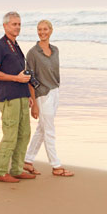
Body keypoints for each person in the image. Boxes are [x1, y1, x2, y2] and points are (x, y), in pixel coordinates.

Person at [0, 11, 37, 183]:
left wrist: (29, 95)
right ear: (5, 26)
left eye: (19, 24)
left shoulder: (16, 46)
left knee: (24, 134)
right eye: (14, 24)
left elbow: (23, 73)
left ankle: (16, 169)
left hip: (22, 96)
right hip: (9, 98)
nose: (17, 27)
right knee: (10, 135)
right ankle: (1, 172)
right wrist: (15, 78)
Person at [24, 19, 74, 177]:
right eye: (39, 29)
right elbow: (29, 78)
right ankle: (56, 165)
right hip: (42, 94)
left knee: (42, 128)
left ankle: (27, 160)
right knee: (50, 130)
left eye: (45, 29)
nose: (42, 32)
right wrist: (34, 103)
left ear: (51, 30)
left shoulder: (56, 50)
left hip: (55, 91)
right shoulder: (32, 53)